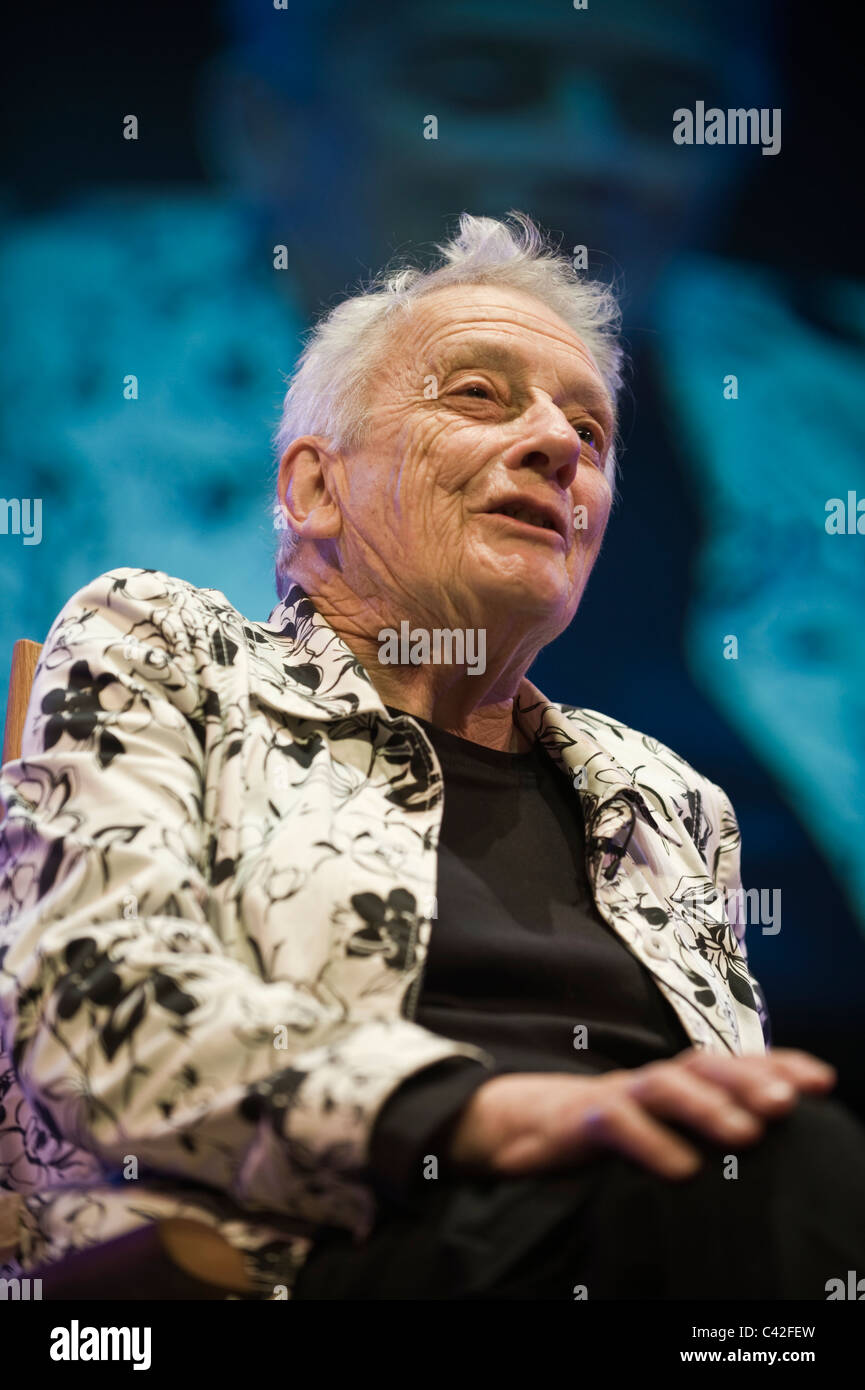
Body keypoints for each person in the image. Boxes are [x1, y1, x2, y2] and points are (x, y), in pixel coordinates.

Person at [1, 213, 862, 1301]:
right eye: (479, 397)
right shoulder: (168, 649)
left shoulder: (667, 798)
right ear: (315, 489)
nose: (558, 446)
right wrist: (485, 1112)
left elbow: (724, 1114)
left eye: (590, 434)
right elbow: (95, 1007)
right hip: (295, 1256)